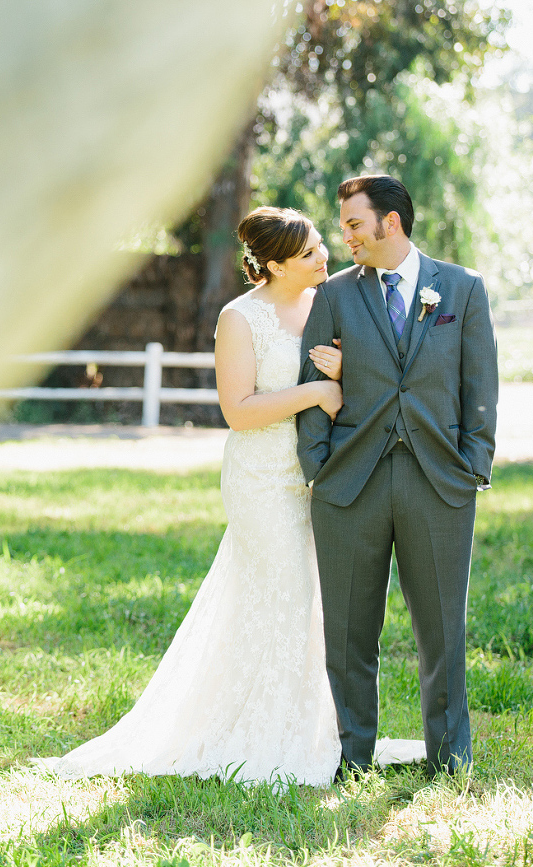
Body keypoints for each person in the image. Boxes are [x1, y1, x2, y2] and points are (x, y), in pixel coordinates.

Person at [38, 207, 347, 786]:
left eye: (321, 245)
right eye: (309, 254)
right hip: (260, 479)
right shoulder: (239, 318)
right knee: (286, 590)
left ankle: (303, 727)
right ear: (274, 265)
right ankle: (259, 738)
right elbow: (240, 411)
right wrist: (314, 390)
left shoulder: (325, 304)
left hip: (315, 476)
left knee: (306, 602)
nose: (323, 256)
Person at [296, 174, 498, 777]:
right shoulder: (332, 296)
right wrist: (318, 467)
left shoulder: (461, 289)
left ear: (391, 222)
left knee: (442, 631)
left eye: (354, 224)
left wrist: (474, 466)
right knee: (350, 635)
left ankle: (450, 759)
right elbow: (312, 390)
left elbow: (479, 382)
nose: (346, 237)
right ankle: (353, 758)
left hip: (439, 480)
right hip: (349, 483)